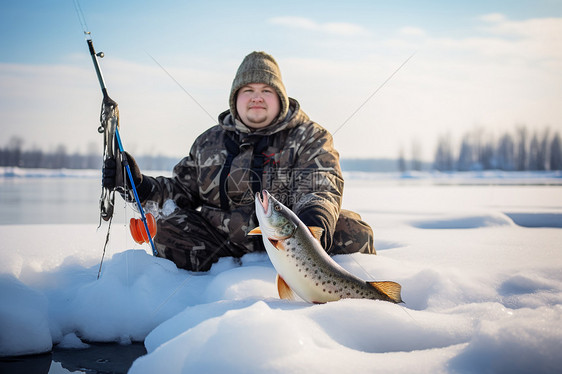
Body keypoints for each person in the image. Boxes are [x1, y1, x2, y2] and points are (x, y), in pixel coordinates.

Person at [103, 51, 374, 271]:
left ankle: (334, 295)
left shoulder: (310, 136)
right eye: (248, 90)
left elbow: (321, 184)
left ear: (280, 98)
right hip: (221, 244)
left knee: (354, 231)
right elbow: (182, 192)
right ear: (235, 99)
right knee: (166, 224)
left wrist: (310, 231)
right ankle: (202, 287)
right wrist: (140, 186)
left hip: (291, 243)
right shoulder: (208, 142)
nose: (257, 97)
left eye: (266, 90)